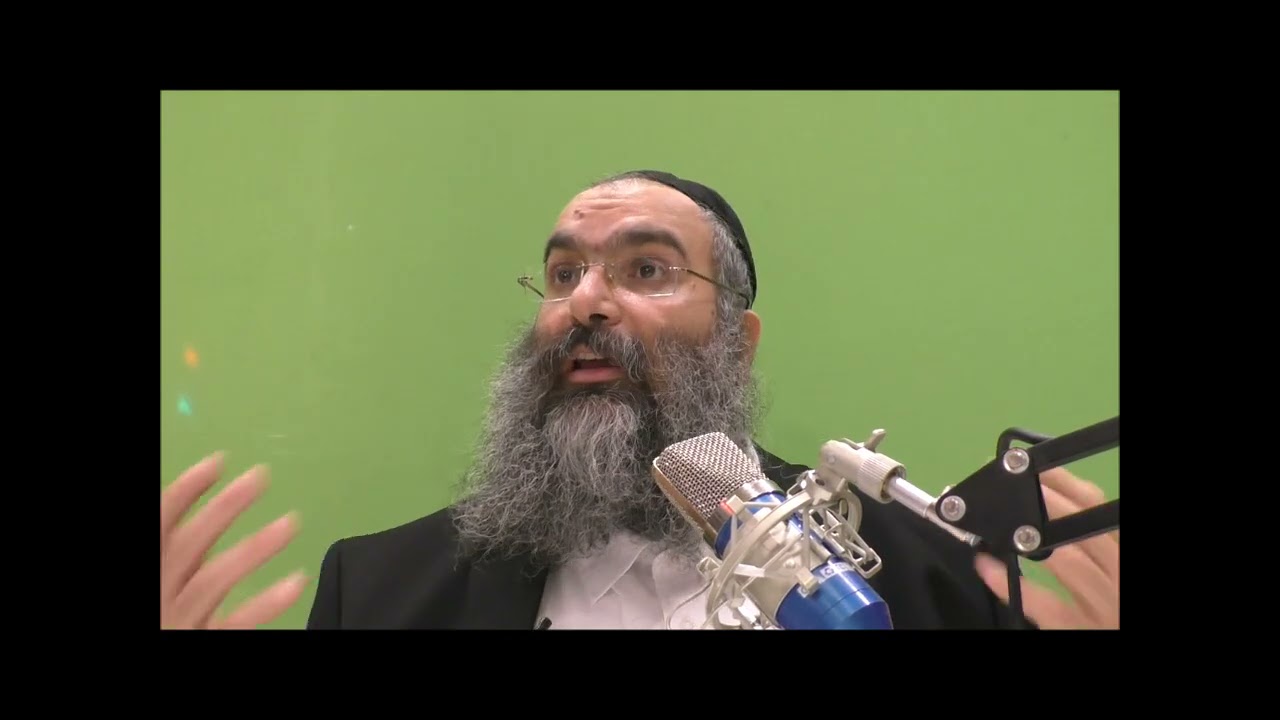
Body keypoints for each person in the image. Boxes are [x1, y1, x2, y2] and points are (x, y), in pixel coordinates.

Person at [159, 170, 1120, 630]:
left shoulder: (924, 580)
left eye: (646, 269)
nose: (586, 301)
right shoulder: (378, 595)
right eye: (563, 273)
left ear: (737, 343)